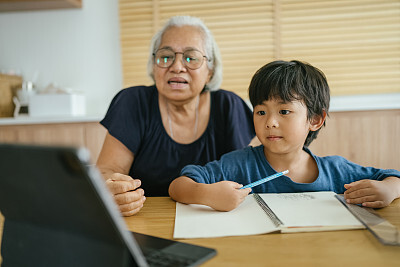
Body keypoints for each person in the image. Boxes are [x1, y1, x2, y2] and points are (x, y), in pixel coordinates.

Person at [168, 60, 400, 212]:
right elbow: (178, 186)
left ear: (315, 120)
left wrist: (389, 190)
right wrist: (207, 194)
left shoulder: (336, 171)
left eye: (284, 111)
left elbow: (393, 178)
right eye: (261, 111)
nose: (270, 122)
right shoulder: (238, 165)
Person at [96, 16, 256, 216]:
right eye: (166, 56)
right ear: (154, 66)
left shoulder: (228, 106)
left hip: (213, 218)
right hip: (145, 219)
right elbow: (107, 171)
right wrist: (113, 191)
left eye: (191, 57)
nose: (177, 66)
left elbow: (245, 174)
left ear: (210, 71)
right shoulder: (133, 101)